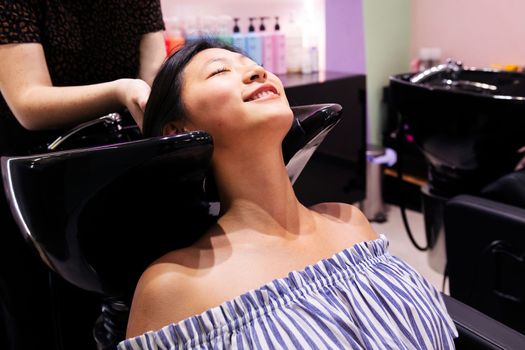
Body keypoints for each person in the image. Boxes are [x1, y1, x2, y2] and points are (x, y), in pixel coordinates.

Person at [118, 38, 458, 349]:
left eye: (251, 63)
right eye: (220, 70)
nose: (255, 71)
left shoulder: (351, 222)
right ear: (179, 130)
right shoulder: (174, 287)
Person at [0, 1, 166, 349]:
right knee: (42, 314)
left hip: (116, 168)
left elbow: (154, 75)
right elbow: (27, 103)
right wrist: (121, 90)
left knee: (125, 304)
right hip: (36, 175)